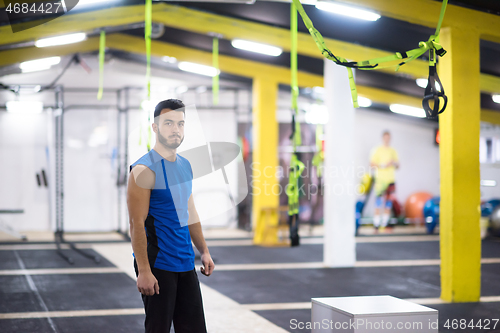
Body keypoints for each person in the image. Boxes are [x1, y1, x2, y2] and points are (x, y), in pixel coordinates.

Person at [127, 99, 214, 333]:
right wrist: (144, 271)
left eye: (180, 124)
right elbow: (136, 224)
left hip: (185, 261)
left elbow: (190, 212)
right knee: (158, 329)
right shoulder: (143, 170)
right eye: (168, 123)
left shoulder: (185, 165)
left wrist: (203, 250)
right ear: (155, 127)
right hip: (158, 263)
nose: (175, 129)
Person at [369, 130, 399, 232]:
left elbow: (398, 165)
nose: (387, 139)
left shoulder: (393, 151)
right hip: (380, 181)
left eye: (388, 138)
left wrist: (393, 162)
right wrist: (383, 165)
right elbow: (372, 164)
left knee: (388, 204)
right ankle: (376, 225)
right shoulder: (377, 150)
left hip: (390, 180)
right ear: (383, 138)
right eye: (385, 137)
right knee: (378, 203)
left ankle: (384, 224)